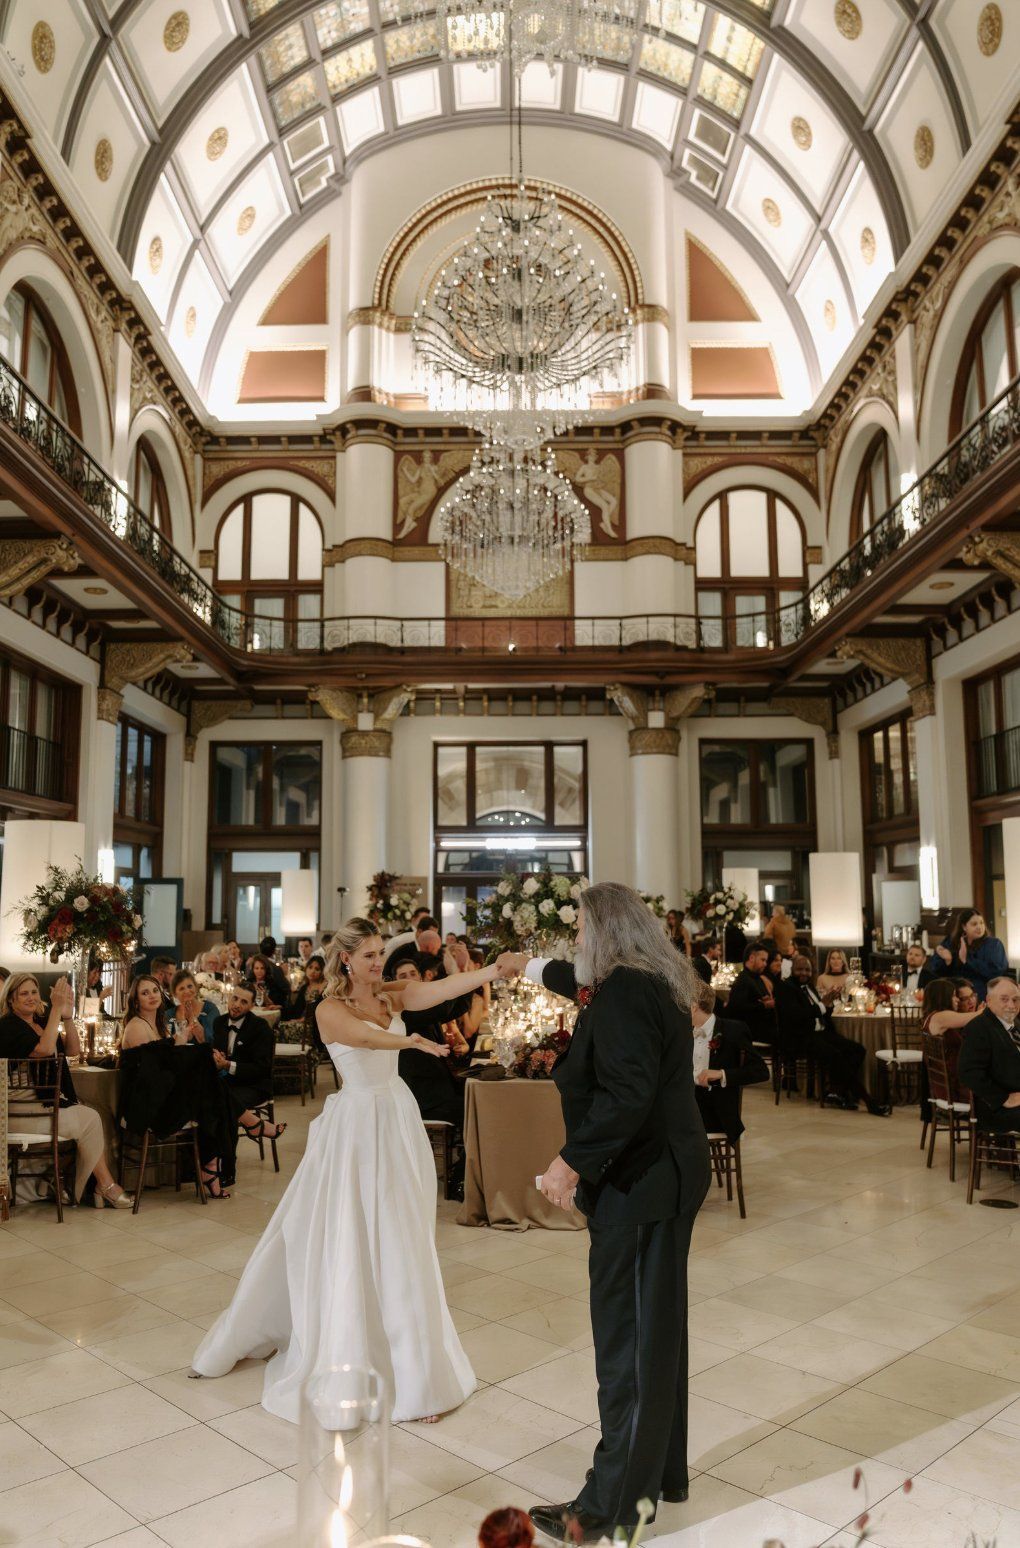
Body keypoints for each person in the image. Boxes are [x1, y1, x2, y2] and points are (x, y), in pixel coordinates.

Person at [190, 916, 500, 1424]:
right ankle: (379, 1367)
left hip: (396, 1118)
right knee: (357, 1234)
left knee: (404, 1235)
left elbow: (441, 989)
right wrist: (411, 1043)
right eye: (370, 955)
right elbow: (365, 1040)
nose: (379, 962)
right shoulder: (328, 1009)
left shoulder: (392, 996)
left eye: (381, 953)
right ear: (347, 960)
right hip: (357, 1127)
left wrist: (490, 972)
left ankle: (417, 1372)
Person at [497, 882, 712, 1544]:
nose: (576, 941)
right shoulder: (650, 981)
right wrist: (525, 966)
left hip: (642, 1184)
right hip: (668, 1173)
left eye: (582, 931)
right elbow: (576, 982)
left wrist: (570, 1164)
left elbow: (626, 1095)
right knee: (657, 1329)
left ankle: (610, 1510)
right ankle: (659, 1476)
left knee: (628, 1340)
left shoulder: (623, 994)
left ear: (605, 934)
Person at [0, 972, 132, 1207]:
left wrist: (67, 1017)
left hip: (44, 1104)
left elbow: (72, 1050)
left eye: (34, 992)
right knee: (90, 1119)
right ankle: (104, 1186)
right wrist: (55, 1010)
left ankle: (77, 1184)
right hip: (20, 1111)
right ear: (11, 999)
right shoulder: (7, 1026)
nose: (31, 998)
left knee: (94, 1113)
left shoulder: (41, 1022)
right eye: (23, 994)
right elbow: (43, 1049)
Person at [119, 975, 232, 1198]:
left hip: (161, 1096)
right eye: (145, 993)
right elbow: (159, 1074)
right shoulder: (136, 1027)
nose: (152, 996)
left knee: (211, 1092)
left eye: (155, 990)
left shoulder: (159, 1025)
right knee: (211, 1090)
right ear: (136, 1001)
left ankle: (211, 1165)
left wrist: (185, 1034)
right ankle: (212, 1165)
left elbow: (171, 1059)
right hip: (146, 1106)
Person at [776, 956, 890, 1115]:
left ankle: (836, 1091)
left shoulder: (809, 986)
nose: (804, 973)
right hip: (800, 1037)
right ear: (792, 970)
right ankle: (869, 1101)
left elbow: (821, 1013)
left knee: (857, 1050)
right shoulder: (786, 988)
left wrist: (828, 1004)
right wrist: (822, 1004)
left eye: (807, 970)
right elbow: (797, 1016)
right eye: (800, 969)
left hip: (821, 1033)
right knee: (836, 1055)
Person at [211, 980, 284, 1190]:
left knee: (225, 1105)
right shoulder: (219, 1022)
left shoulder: (260, 1028)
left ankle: (227, 1169)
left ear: (252, 1006)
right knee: (214, 1098)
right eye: (235, 998)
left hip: (255, 1085)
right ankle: (254, 1125)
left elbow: (261, 1069)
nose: (236, 1005)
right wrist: (215, 1059)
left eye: (243, 1002)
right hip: (227, 1084)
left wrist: (228, 1065)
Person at [690, 982, 768, 1141]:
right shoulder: (682, 1032)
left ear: (694, 1006)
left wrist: (722, 1074)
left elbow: (760, 1070)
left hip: (714, 1110)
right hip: (687, 1103)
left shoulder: (732, 1031)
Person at [957, 976, 1020, 1135]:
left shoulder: (1016, 1024)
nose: (1012, 1005)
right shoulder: (978, 1028)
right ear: (989, 1000)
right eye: (1004, 999)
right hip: (995, 1108)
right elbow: (968, 1072)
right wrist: (1004, 1098)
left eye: (1015, 999)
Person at [927, 909, 1010, 1002]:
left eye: (981, 923)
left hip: (982, 992)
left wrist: (967, 960)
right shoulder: (951, 941)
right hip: (954, 993)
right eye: (974, 924)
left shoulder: (994, 944)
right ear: (964, 927)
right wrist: (947, 961)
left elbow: (996, 972)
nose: (979, 927)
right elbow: (935, 970)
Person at [920, 979, 981, 1099]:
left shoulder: (933, 1016)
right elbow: (975, 1017)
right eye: (953, 995)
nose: (957, 999)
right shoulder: (940, 1017)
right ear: (943, 997)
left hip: (948, 1084)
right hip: (955, 1089)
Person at [727, 945, 777, 1051]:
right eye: (763, 960)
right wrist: (763, 1005)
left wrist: (765, 1001)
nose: (765, 964)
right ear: (751, 958)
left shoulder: (757, 978)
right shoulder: (743, 980)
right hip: (751, 1032)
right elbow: (736, 1008)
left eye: (766, 961)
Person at [171, 969, 219, 1043]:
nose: (187, 991)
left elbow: (208, 1041)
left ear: (196, 987)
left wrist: (191, 1018)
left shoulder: (210, 1009)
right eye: (181, 989)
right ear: (175, 994)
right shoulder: (169, 1014)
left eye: (190, 986)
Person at [287, 954, 325, 1019]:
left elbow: (321, 1011)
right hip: (300, 1020)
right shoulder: (304, 987)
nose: (312, 971)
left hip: (316, 1022)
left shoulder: (324, 989)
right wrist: (280, 1008)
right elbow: (296, 1009)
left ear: (321, 972)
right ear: (306, 968)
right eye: (310, 967)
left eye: (317, 969)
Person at [256, 937, 292, 1004]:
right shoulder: (274, 968)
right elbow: (287, 988)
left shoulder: (250, 961)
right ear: (274, 950)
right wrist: (284, 973)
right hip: (271, 1002)